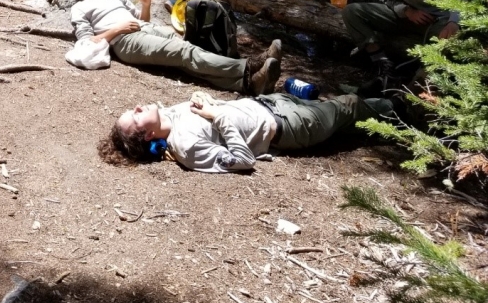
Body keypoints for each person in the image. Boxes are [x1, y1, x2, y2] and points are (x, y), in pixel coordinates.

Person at [67, 0, 282, 95]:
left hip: (144, 28)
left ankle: (248, 84)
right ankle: (249, 66)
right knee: (184, 52)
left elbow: (144, 20)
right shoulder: (79, 7)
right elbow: (85, 43)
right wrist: (117, 30)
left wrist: (146, 4)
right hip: (124, 42)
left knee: (186, 49)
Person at [100, 90, 394, 173]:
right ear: (149, 135)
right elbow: (242, 160)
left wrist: (203, 97)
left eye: (133, 109)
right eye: (136, 116)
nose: (138, 107)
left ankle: (392, 107)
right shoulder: (187, 147)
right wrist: (220, 116)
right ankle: (411, 110)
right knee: (351, 105)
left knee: (347, 110)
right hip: (288, 127)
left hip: (270, 102)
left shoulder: (168, 114)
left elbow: (201, 103)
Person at [342, 0, 460, 86]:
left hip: (438, 21)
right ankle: (382, 65)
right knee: (352, 11)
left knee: (449, 42)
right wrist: (406, 11)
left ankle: (416, 88)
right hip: (403, 15)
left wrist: (453, 22)